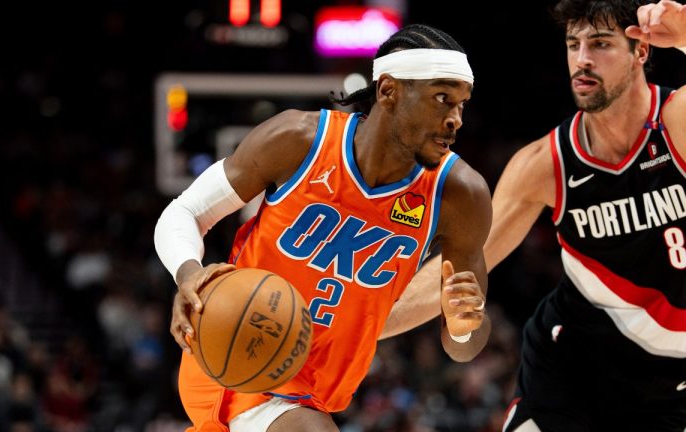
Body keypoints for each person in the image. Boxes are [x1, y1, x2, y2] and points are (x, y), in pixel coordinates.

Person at [154, 24, 492, 432]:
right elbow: (185, 211)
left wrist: (462, 328)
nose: (455, 119)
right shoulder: (299, 140)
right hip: (237, 347)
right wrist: (189, 274)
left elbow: (466, 347)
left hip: (315, 392)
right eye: (442, 99)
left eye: (462, 104)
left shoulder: (461, 195)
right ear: (388, 91)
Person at [385, 1, 686, 430]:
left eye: (600, 44)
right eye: (573, 44)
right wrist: (354, 328)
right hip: (571, 377)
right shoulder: (545, 164)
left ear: (640, 52)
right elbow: (459, 270)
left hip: (669, 387)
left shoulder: (675, 122)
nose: (582, 59)